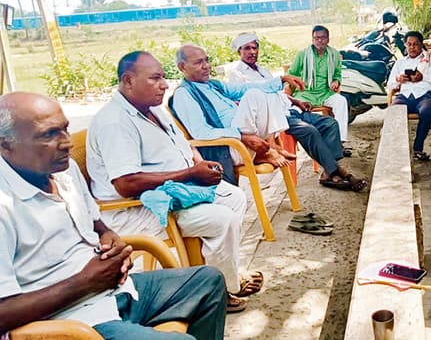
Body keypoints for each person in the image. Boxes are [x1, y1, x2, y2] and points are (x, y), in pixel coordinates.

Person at [0, 92, 227, 339]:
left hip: (115, 291)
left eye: (65, 129)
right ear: (5, 144)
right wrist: (85, 282)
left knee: (208, 281)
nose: (67, 143)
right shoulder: (5, 204)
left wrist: (112, 239)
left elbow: (96, 224)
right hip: (74, 321)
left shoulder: (63, 170)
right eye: (49, 134)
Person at [87, 51, 263, 313]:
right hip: (138, 209)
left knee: (233, 196)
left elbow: (183, 144)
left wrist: (198, 162)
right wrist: (190, 174)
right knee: (221, 219)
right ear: (128, 81)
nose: (164, 85)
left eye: (163, 77)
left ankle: (219, 276)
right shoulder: (115, 122)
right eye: (155, 78)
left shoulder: (152, 109)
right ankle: (218, 290)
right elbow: (125, 183)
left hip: (173, 191)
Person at [224, 32, 367, 191]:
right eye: (247, 48)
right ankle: (340, 173)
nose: (252, 52)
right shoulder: (237, 74)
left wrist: (296, 101)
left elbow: (278, 93)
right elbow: (243, 102)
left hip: (291, 109)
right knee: (310, 131)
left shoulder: (263, 71)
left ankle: (329, 171)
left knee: (330, 123)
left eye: (254, 48)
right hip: (275, 118)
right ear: (239, 51)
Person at [171, 43, 302, 168]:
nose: (206, 66)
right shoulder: (183, 94)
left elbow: (243, 88)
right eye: (199, 62)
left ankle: (271, 146)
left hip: (250, 139)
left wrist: (281, 79)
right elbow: (201, 132)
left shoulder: (213, 85)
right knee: (253, 95)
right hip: (229, 147)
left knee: (270, 93)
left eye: (207, 60)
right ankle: (265, 152)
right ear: (182, 67)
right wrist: (242, 136)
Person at [386, 30, 431, 161]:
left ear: (421, 44)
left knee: (426, 111)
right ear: (405, 45)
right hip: (405, 96)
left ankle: (418, 149)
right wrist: (399, 80)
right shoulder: (400, 63)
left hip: (425, 95)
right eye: (409, 44)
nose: (412, 47)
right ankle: (399, 150)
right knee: (394, 112)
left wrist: (423, 77)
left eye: (415, 44)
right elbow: (390, 85)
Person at [288, 25, 349, 146]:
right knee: (293, 111)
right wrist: (294, 86)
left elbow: (337, 73)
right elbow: (291, 74)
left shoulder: (334, 54)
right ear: (312, 39)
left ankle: (340, 142)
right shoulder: (302, 54)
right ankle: (301, 140)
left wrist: (336, 81)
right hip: (305, 93)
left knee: (341, 101)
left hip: (326, 93)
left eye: (323, 37)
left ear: (328, 39)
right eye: (316, 38)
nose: (319, 40)